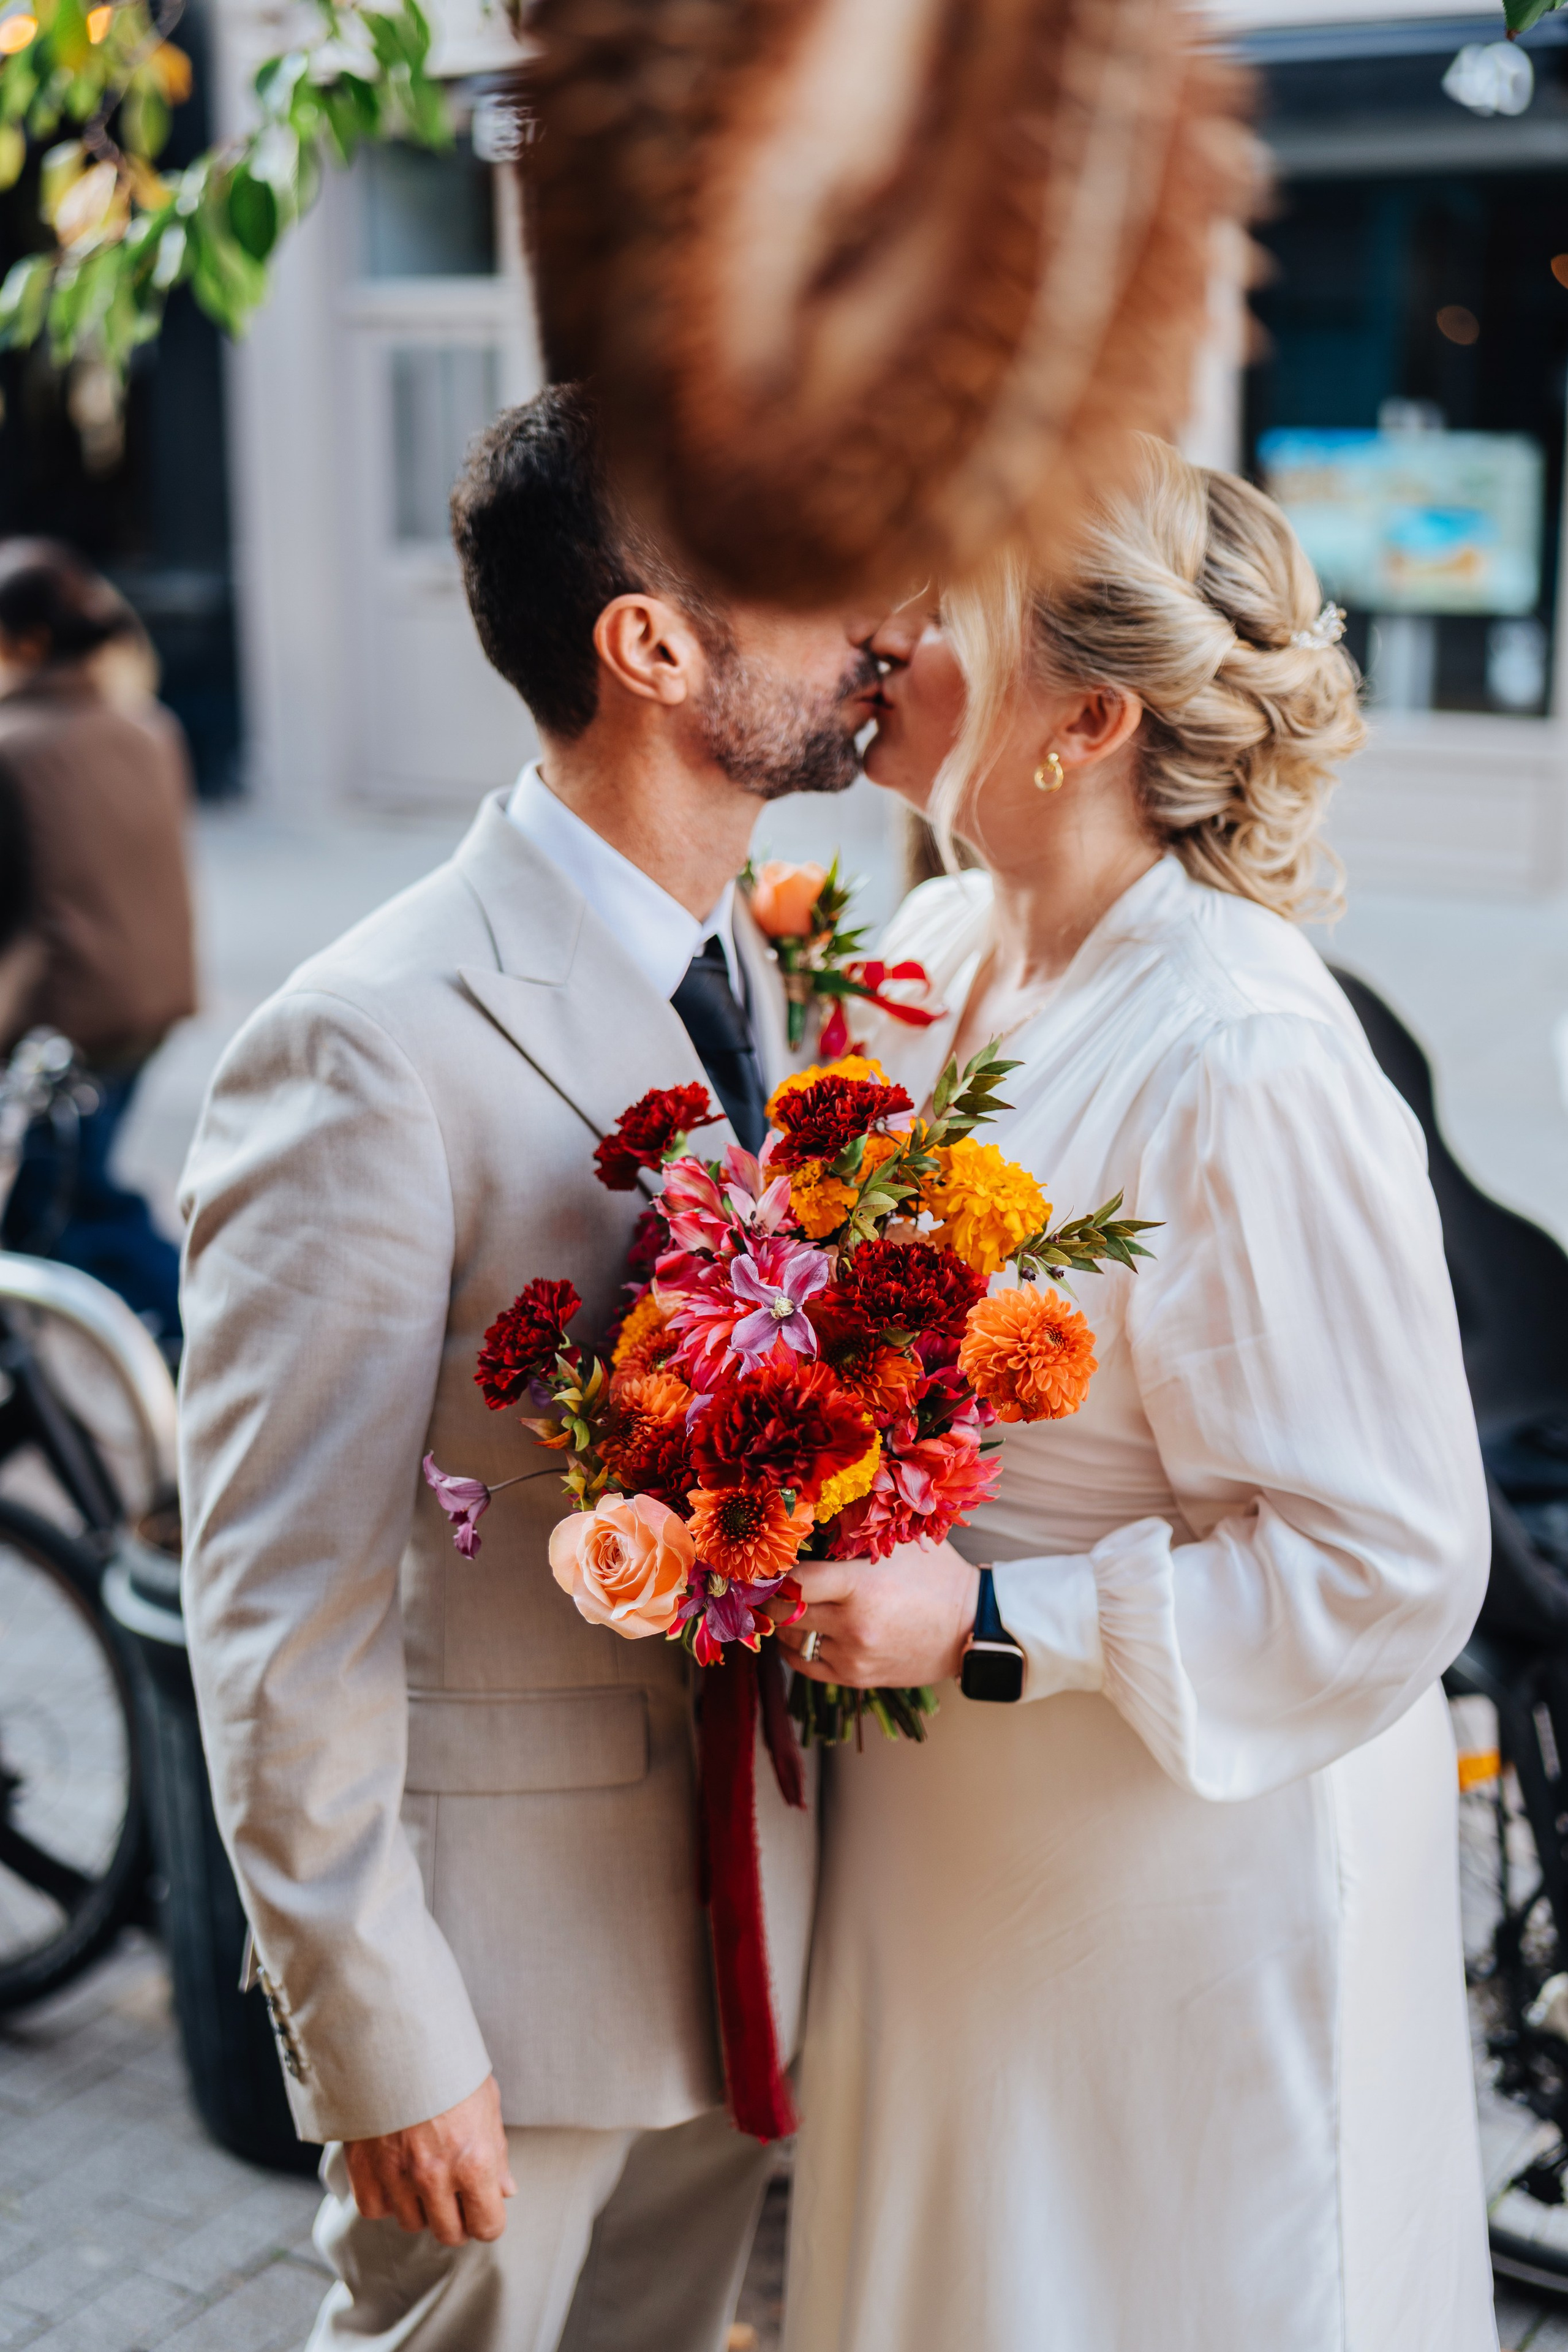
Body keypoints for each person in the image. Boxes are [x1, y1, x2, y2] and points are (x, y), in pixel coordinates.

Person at [771, 438, 1495, 2350]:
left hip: (1174, 1858)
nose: (889, 636)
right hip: (941, 1844)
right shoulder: (931, 954)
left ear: (1082, 715)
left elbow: (1393, 1562)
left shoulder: (1243, 1052)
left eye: (943, 612)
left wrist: (996, 1617)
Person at [178, 384, 881, 2352]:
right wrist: (376, 2028)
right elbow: (272, 1604)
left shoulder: (774, 970)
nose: (878, 615)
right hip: (495, 1982)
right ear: (651, 646)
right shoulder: (368, 1045)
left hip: (744, 1938)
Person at [0, 540, 195, 1351]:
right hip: (145, 1007)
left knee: (63, 1220)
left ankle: (198, 1341)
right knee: (77, 1199)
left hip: (63, 1025)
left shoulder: (15, 747)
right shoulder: (146, 726)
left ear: (31, 642)